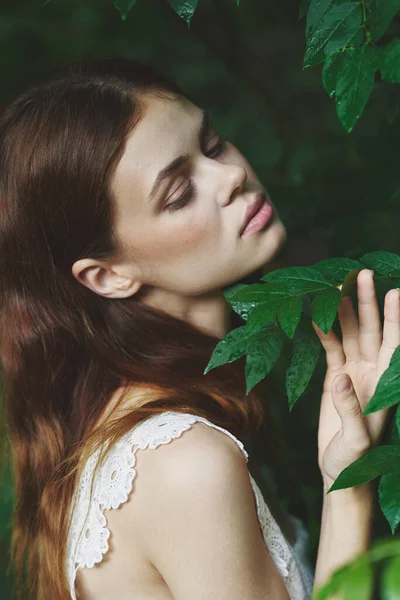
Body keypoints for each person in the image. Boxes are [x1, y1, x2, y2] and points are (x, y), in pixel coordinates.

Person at [0, 57, 398, 600]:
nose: (232, 175)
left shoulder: (149, 421)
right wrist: (349, 493)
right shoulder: (182, 461)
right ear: (108, 275)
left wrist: (345, 472)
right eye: (178, 194)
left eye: (212, 146)